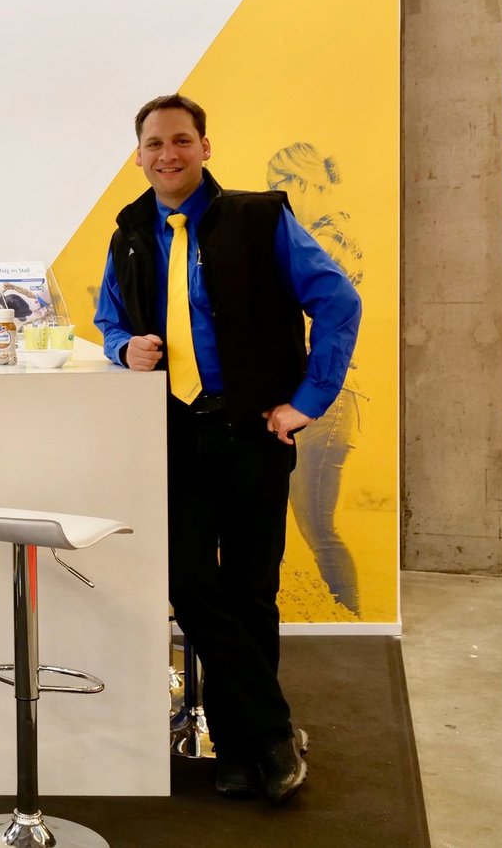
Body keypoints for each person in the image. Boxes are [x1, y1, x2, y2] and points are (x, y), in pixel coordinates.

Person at [94, 95, 360, 805]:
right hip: (174, 433)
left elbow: (339, 301)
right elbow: (108, 319)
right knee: (187, 582)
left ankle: (240, 748)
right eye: (154, 143)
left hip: (252, 432)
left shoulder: (260, 217)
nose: (168, 154)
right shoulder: (129, 233)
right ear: (139, 155)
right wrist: (124, 347)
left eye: (181, 140)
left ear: (205, 147)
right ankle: (272, 731)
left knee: (251, 588)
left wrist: (308, 400)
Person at [266, 142, 365, 617]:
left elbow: (337, 308)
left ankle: (351, 617)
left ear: (303, 183)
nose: (275, 197)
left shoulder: (327, 236)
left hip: (322, 396)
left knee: (317, 526)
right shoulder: (316, 231)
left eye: (278, 186)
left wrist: (308, 399)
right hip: (308, 391)